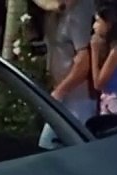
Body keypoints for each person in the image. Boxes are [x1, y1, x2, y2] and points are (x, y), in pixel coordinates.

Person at [35, 0, 98, 150]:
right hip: (63, 99)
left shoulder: (79, 13)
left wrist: (59, 92)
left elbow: (84, 62)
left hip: (78, 100)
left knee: (54, 148)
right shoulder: (55, 15)